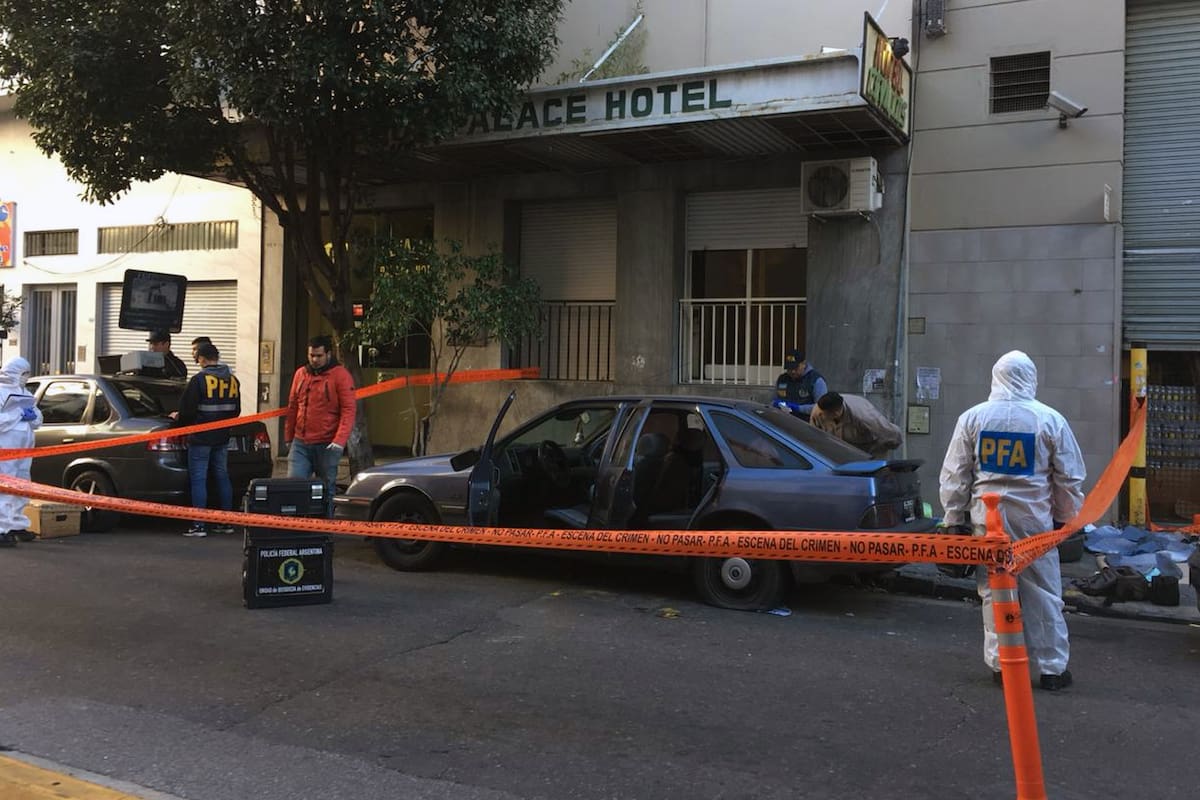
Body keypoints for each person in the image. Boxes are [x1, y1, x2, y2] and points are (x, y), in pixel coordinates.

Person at [939, 350, 1085, 691]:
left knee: (993, 593)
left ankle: (1001, 666)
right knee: (1044, 594)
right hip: (1034, 523)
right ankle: (1052, 669)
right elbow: (1069, 478)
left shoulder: (973, 418)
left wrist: (951, 517)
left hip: (986, 521)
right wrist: (1068, 520)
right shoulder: (1049, 420)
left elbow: (955, 475)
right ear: (1032, 378)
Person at [172, 342, 240, 537]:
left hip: (201, 437)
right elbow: (236, 410)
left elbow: (187, 411)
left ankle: (199, 525)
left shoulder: (199, 380)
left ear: (202, 358)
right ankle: (226, 522)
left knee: (199, 479)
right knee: (222, 475)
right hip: (223, 436)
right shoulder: (233, 380)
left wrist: (179, 419)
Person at [284, 335, 356, 515]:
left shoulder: (340, 376)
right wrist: (288, 436)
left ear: (328, 354)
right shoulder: (301, 374)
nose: (314, 359)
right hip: (301, 442)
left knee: (326, 490)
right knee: (294, 487)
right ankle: (298, 529)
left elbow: (348, 410)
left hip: (328, 443)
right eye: (311, 355)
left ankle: (324, 531)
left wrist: (339, 441)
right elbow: (292, 406)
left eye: (319, 355)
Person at [0, 357, 42, 546]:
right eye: (23, 374)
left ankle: (16, 524)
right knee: (6, 486)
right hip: (6, 447)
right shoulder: (1, 391)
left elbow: (37, 419)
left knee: (22, 485)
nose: (26, 377)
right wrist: (17, 413)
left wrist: (32, 416)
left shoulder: (24, 392)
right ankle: (2, 528)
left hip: (24, 447)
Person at [810, 391, 903, 458]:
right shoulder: (818, 411)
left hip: (869, 448)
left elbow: (892, 434)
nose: (820, 415)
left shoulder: (863, 415)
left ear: (835, 413)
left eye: (823, 414)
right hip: (839, 449)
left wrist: (878, 451)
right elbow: (812, 436)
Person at [772, 348, 827, 422]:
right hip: (784, 422)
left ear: (804, 364)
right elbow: (773, 400)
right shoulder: (782, 379)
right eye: (789, 368)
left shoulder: (815, 380)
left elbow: (822, 408)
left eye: (795, 368)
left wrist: (798, 408)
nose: (792, 371)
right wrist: (776, 404)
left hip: (807, 424)